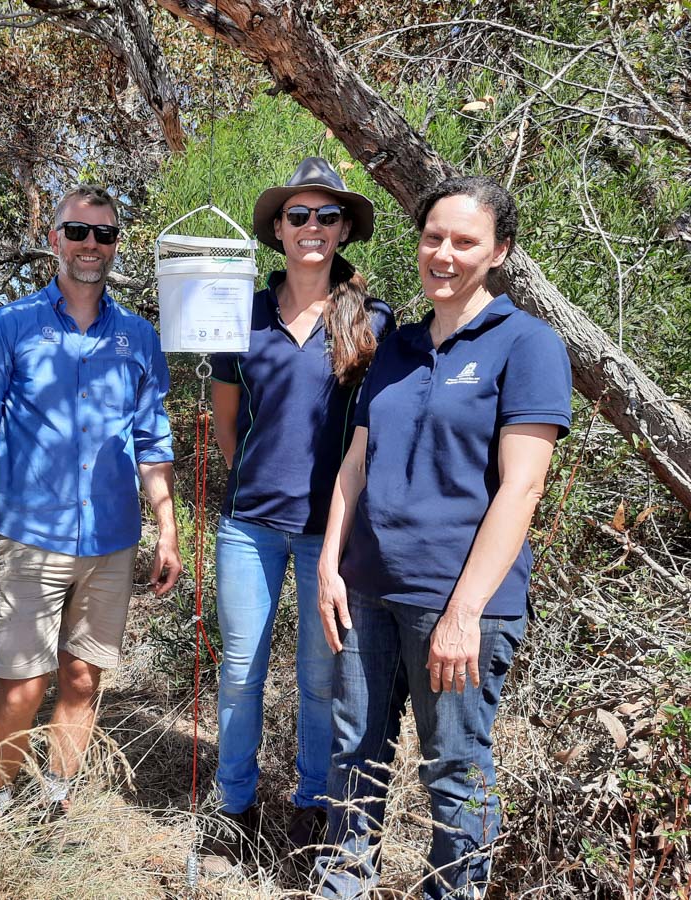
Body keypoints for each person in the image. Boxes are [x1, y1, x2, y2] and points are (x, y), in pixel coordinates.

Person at [313, 176, 572, 899]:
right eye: (434, 237)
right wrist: (332, 563)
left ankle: (453, 891)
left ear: (499, 252)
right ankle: (343, 884)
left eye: (465, 241)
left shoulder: (527, 345)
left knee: (455, 768)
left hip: (459, 604)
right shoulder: (395, 347)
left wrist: (463, 613)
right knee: (353, 752)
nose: (445, 253)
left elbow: (521, 489)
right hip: (367, 590)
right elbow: (355, 462)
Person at [0, 184, 183, 820]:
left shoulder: (138, 337)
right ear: (54, 240)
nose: (90, 245)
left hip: (112, 541)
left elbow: (151, 438)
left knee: (83, 676)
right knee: (23, 680)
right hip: (33, 535)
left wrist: (167, 530)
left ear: (115, 245)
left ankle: (57, 798)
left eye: (103, 234)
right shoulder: (10, 326)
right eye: (77, 232)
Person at [208, 158, 395, 860]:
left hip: (331, 537)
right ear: (278, 230)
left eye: (325, 216)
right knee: (239, 674)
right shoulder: (244, 312)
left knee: (321, 682)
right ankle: (233, 804)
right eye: (297, 216)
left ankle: (312, 807)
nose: (311, 228)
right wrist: (256, 481)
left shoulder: (371, 319)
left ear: (344, 228)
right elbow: (228, 422)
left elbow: (375, 431)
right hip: (249, 526)